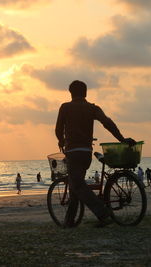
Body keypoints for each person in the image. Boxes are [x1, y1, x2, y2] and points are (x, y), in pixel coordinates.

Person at [55, 80, 136, 228]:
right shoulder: (92, 108)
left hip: (73, 152)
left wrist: (61, 141)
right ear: (85, 93)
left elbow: (58, 129)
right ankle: (69, 221)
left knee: (78, 185)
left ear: (70, 93)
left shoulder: (65, 107)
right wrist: (122, 139)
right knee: (75, 185)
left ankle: (103, 213)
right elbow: (107, 122)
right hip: (87, 153)